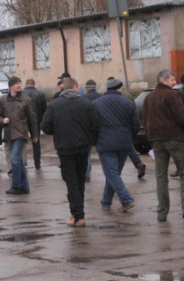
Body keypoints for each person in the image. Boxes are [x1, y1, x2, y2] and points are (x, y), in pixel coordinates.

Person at [142, 69, 184, 222]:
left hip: (156, 140)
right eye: (171, 80)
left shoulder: (149, 97)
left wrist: (150, 138)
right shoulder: (172, 96)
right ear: (163, 81)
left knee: (161, 176)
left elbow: (145, 120)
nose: (174, 82)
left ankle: (162, 212)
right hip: (174, 139)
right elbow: (181, 117)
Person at [41, 78, 99, 227]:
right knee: (80, 181)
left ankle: (78, 216)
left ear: (62, 88)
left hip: (64, 148)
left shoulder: (54, 105)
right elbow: (96, 124)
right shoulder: (86, 104)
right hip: (82, 147)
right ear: (75, 87)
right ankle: (78, 214)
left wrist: (59, 131)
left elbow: (45, 126)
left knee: (71, 182)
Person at [93, 77, 140, 212]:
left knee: (112, 173)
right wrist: (129, 137)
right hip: (124, 143)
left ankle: (126, 200)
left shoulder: (97, 103)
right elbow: (136, 124)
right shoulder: (129, 103)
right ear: (120, 88)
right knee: (114, 173)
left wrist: (95, 140)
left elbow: (93, 125)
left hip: (105, 143)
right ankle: (106, 201)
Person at [0, 76, 38, 195]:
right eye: (16, 83)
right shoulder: (3, 100)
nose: (19, 85)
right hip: (9, 134)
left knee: (14, 159)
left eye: (20, 83)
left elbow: (32, 119)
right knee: (18, 160)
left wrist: (35, 134)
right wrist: (2, 120)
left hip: (21, 134)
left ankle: (16, 186)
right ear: (10, 86)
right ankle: (25, 187)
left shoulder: (26, 99)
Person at [22, 78, 46, 170]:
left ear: (26, 84)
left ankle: (24, 162)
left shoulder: (21, 94)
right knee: (36, 142)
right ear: (34, 84)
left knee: (22, 141)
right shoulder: (40, 94)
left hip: (23, 122)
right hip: (37, 122)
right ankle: (37, 163)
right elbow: (44, 111)